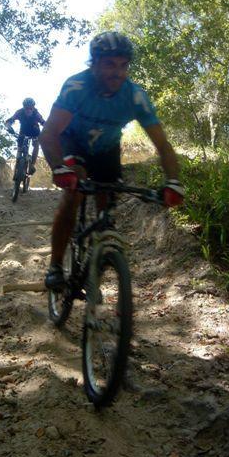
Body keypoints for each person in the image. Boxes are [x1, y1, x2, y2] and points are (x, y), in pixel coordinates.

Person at [39, 31, 184, 291]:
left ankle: (101, 252)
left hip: (107, 150)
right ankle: (56, 265)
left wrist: (173, 182)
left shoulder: (135, 96)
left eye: (123, 65)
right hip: (73, 143)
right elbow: (49, 134)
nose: (117, 72)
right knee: (74, 193)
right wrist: (58, 167)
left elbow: (163, 145)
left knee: (107, 199)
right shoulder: (77, 87)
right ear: (93, 64)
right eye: (109, 64)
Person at [5, 98, 45, 176]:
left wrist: (48, 130)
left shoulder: (36, 114)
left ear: (33, 108)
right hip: (23, 131)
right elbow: (9, 120)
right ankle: (18, 161)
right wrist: (9, 127)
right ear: (24, 107)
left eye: (31, 108)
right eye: (27, 108)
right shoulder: (19, 112)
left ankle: (32, 165)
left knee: (36, 144)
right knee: (20, 145)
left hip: (35, 131)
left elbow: (43, 122)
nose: (29, 110)